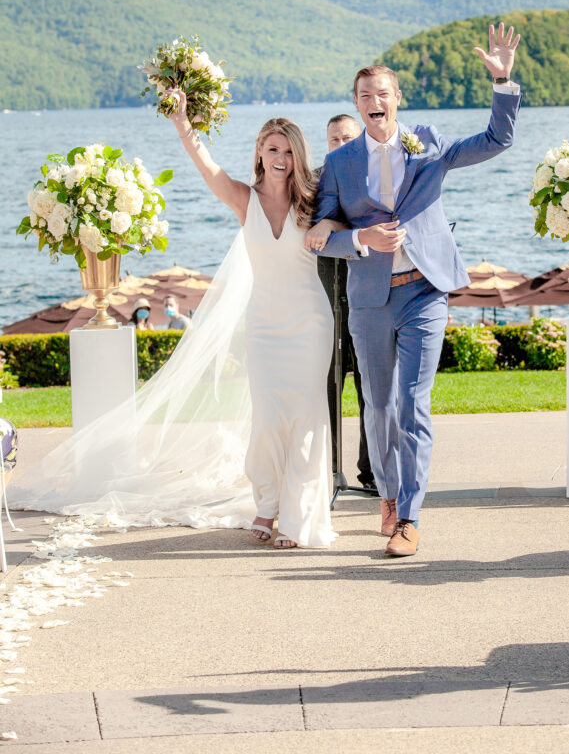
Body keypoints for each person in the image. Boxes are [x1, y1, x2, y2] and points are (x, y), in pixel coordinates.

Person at [10, 110, 338, 551]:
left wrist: (328, 224)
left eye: (288, 151)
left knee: (307, 417)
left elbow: (347, 219)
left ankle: (300, 516)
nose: (281, 158)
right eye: (272, 148)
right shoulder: (244, 199)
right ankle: (267, 502)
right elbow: (206, 164)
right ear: (259, 152)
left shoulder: (314, 201)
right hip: (264, 326)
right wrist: (183, 122)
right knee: (267, 420)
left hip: (310, 323)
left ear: (299, 156)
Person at [307, 22, 521, 557]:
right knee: (377, 407)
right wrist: (362, 238)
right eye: (364, 96)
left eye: (382, 93)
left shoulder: (427, 142)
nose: (374, 102)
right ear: (356, 106)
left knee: (411, 403)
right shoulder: (338, 163)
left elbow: (496, 140)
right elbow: (319, 236)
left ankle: (408, 517)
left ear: (397, 99)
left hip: (425, 291)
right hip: (371, 302)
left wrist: (502, 85)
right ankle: (386, 492)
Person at [315, 114, 375, 490]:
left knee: (370, 388)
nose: (341, 144)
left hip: (368, 297)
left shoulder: (377, 180)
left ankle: (371, 472)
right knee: (326, 387)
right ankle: (327, 468)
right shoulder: (316, 180)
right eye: (334, 139)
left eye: (348, 138)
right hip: (325, 298)